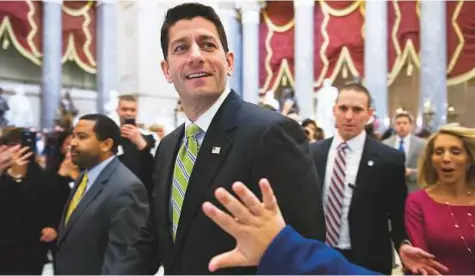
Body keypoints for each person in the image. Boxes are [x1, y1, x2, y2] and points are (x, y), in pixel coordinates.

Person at [115, 3, 326, 274]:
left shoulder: (272, 133)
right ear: (167, 70)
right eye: (181, 48)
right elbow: (156, 235)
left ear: (228, 62)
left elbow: (305, 247)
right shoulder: (169, 146)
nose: (195, 56)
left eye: (207, 45)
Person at [201, 179, 448, 275]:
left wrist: (285, 250)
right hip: (324, 247)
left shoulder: (386, 157)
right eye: (343, 108)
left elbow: (393, 211)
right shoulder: (317, 151)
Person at [310, 82, 427, 274]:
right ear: (334, 111)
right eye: (343, 108)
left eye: (357, 110)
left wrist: (402, 244)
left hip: (367, 259)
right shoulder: (312, 154)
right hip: (319, 255)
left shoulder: (389, 159)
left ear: (369, 114)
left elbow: (398, 212)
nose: (349, 116)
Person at [54, 114, 149, 274]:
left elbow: (123, 258)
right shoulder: (84, 177)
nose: (72, 143)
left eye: (82, 137)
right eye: (73, 136)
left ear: (106, 144)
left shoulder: (126, 187)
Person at [405, 125, 475, 274]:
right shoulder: (417, 202)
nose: (446, 158)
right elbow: (422, 262)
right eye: (439, 152)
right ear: (431, 160)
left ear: (469, 158)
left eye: (455, 152)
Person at [0, 128, 55, 274]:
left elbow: (39, 206)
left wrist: (19, 179)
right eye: (13, 144)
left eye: (22, 144)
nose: (18, 149)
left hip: (29, 248)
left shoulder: (36, 172)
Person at [116, 95, 156, 198]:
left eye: (132, 110)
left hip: (144, 193)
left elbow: (158, 165)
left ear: (136, 112)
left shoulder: (150, 137)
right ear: (117, 110)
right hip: (118, 191)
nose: (128, 113)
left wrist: (141, 143)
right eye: (124, 109)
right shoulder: (111, 137)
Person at [383, 111, 425, 192]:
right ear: (394, 126)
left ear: (411, 125)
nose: (401, 126)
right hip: (391, 188)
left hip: (413, 188)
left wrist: (411, 172)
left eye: (405, 123)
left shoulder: (421, 144)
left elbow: (426, 168)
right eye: (398, 123)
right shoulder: (386, 143)